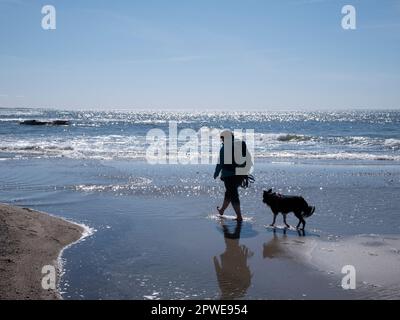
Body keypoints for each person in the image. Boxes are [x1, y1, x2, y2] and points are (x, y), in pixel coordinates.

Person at [213, 129, 253, 222]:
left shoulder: (224, 148)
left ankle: (239, 216)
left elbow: (220, 163)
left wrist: (216, 173)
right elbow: (249, 158)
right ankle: (222, 210)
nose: (221, 141)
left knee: (233, 194)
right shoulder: (241, 144)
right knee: (230, 192)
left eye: (222, 139)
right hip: (241, 173)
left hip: (229, 175)